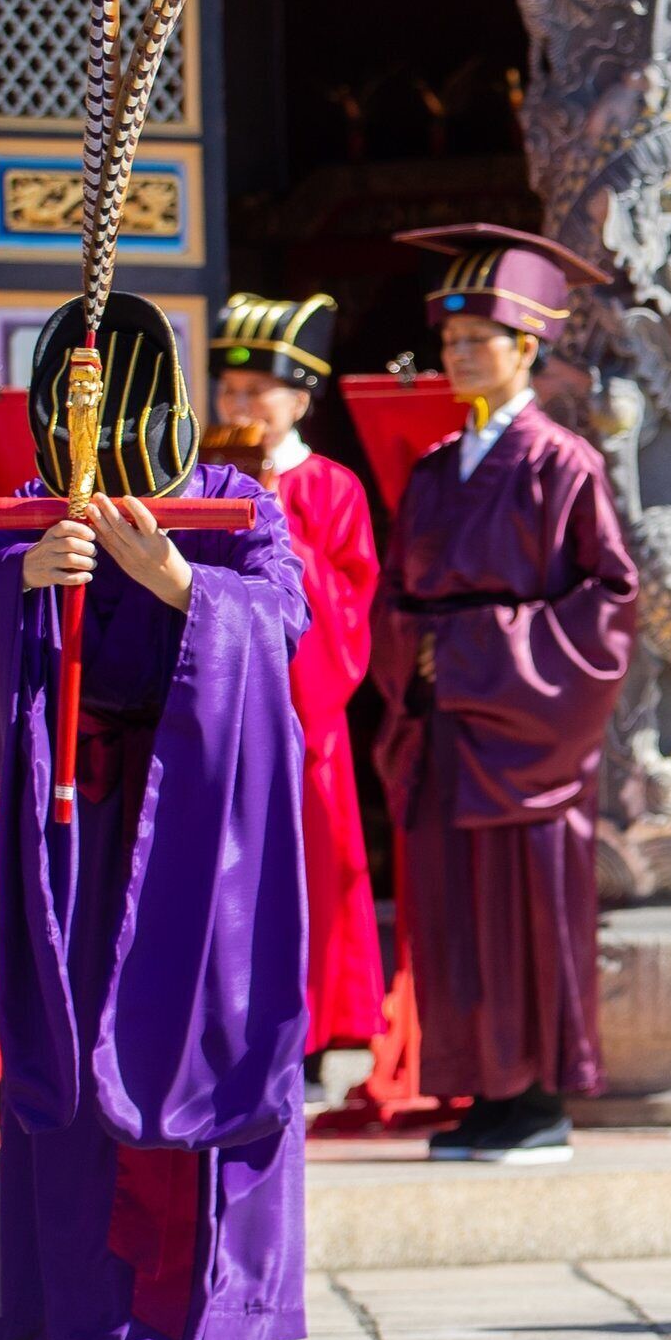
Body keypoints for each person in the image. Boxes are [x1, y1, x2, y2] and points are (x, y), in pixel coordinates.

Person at [0, 297, 311, 1340]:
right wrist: (25, 581)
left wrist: (180, 585)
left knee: (201, 1055)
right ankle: (107, 1337)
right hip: (79, 832)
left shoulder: (233, 503)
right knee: (79, 1063)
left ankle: (197, 1335)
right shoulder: (37, 514)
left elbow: (285, 616)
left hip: (203, 834)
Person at [372, 225, 638, 1166]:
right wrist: (421, 654)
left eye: (473, 341)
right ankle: (481, 1089)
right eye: (447, 342)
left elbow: (608, 602)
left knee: (525, 910)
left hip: (527, 730)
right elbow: (396, 594)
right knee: (450, 910)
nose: (455, 357)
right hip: (448, 723)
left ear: (526, 348)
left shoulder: (562, 463)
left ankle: (534, 1099)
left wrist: (476, 653)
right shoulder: (435, 469)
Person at [212, 291, 385, 1061]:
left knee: (309, 870)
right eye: (229, 389)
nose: (240, 402)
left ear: (300, 397)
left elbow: (349, 608)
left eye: (258, 390)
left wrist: (276, 519)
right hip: (216, 709)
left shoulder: (330, 487)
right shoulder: (202, 481)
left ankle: (308, 1036)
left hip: (299, 716)